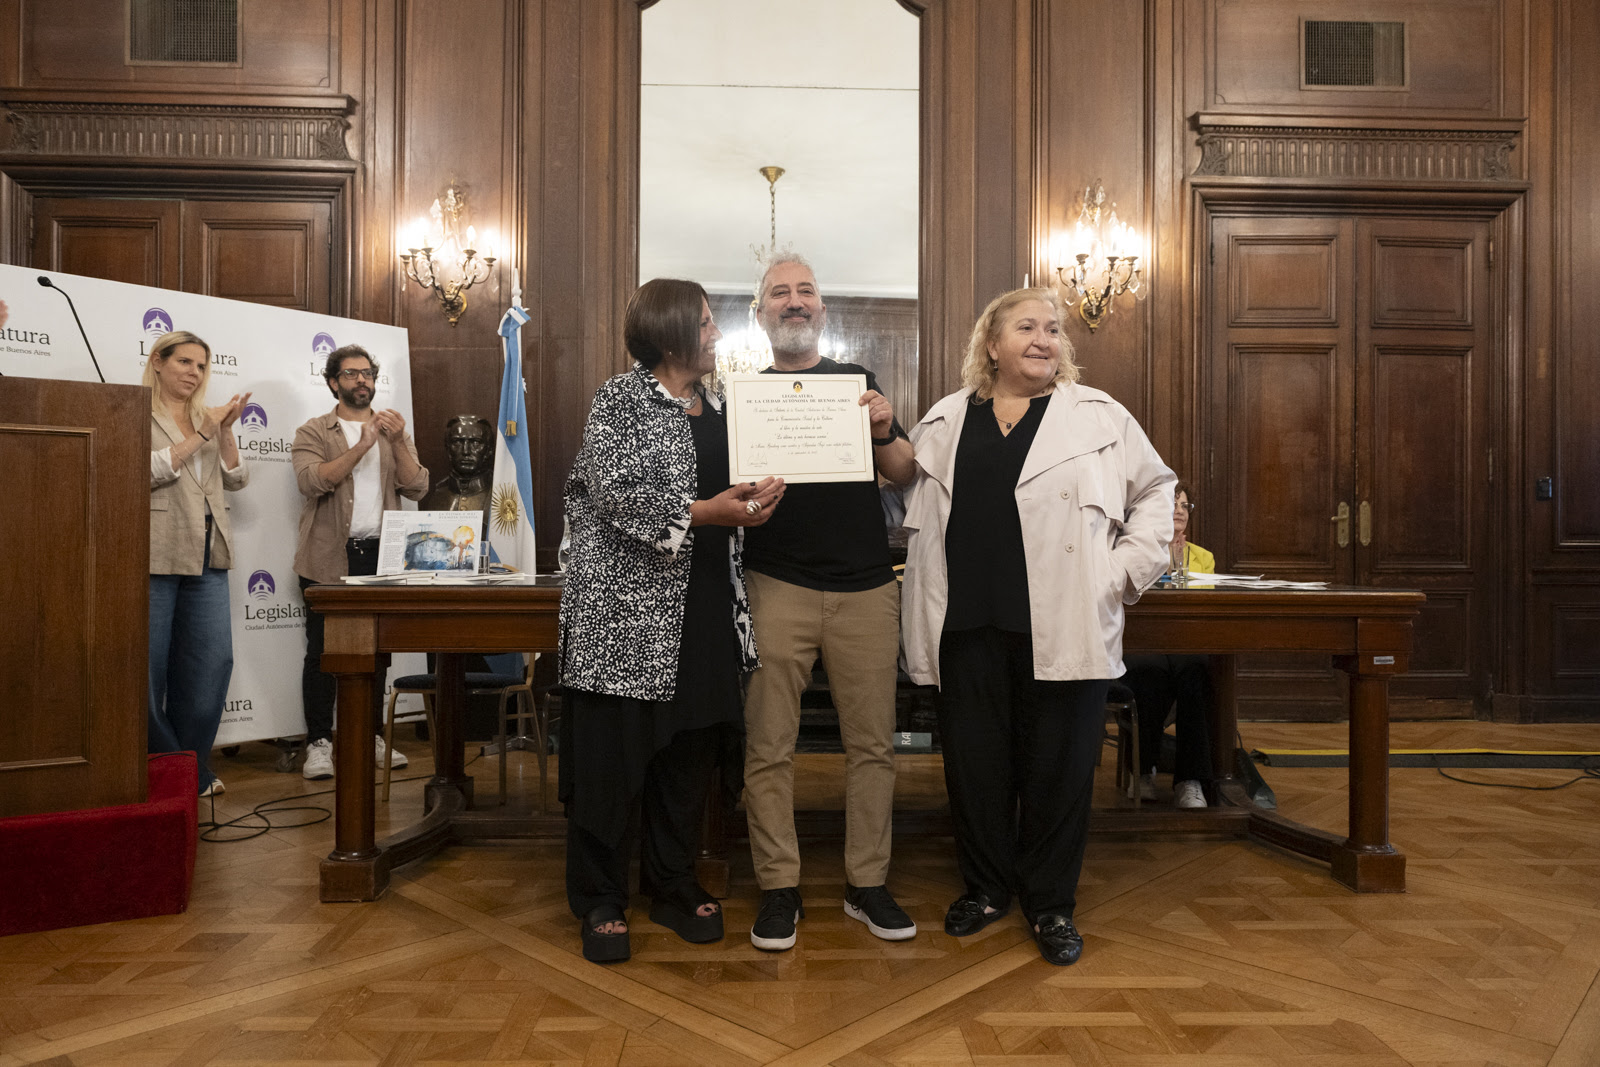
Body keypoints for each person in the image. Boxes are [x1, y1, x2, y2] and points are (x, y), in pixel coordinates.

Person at [900, 287, 1174, 966]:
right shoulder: (945, 419)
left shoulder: (1098, 415)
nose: (1044, 339)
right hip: (964, 627)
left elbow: (1156, 490)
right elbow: (907, 500)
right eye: (1027, 327)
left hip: (1064, 624)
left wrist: (1120, 572)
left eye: (1052, 329)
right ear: (991, 344)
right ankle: (986, 889)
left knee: (1059, 770)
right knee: (975, 770)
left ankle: (1051, 904)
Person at [560, 277, 785, 964]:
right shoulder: (619, 399)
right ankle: (601, 897)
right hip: (624, 615)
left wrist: (755, 497)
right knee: (611, 759)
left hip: (706, 607)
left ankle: (672, 882)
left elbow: (731, 489)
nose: (717, 333)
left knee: (688, 754)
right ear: (671, 331)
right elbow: (613, 493)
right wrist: (708, 511)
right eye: (707, 322)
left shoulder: (721, 406)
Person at [739, 253, 919, 952]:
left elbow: (904, 470)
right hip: (775, 583)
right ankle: (778, 886)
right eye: (779, 292)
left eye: (805, 291)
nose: (794, 300)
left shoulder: (857, 384)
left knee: (873, 745)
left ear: (822, 309)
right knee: (768, 745)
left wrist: (883, 426)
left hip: (867, 588)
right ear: (760, 314)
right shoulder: (743, 398)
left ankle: (866, 883)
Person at [292, 344, 429, 780]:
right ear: (334, 382)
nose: (362, 380)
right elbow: (311, 482)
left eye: (367, 373)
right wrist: (362, 445)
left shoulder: (393, 429)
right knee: (322, 652)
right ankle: (319, 742)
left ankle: (371, 735)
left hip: (381, 556)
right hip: (327, 557)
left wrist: (396, 441)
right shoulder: (314, 430)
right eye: (351, 374)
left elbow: (417, 486)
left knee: (377, 653)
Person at [145, 330, 250, 797]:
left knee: (211, 663)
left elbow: (237, 478)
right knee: (148, 668)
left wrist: (223, 431)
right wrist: (203, 433)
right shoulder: (136, 411)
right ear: (158, 362)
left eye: (202, 365)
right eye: (184, 362)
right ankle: (163, 768)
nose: (195, 372)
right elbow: (142, 471)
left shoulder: (204, 417)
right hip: (156, 549)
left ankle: (191, 767)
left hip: (209, 551)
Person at [1124, 481, 1216, 809]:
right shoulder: (1140, 550)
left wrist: (1180, 569)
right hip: (1145, 641)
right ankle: (1142, 771)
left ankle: (1191, 780)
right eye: (1172, 504)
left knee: (1195, 670)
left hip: (1185, 640)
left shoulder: (1203, 558)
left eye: (1184, 505)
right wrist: (1164, 558)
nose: (1178, 511)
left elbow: (1199, 607)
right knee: (1150, 673)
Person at [422, 414, 493, 516]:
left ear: (489, 450)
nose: (465, 451)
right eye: (457, 442)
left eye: (476, 442)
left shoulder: (500, 495)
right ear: (448, 449)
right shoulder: (435, 493)